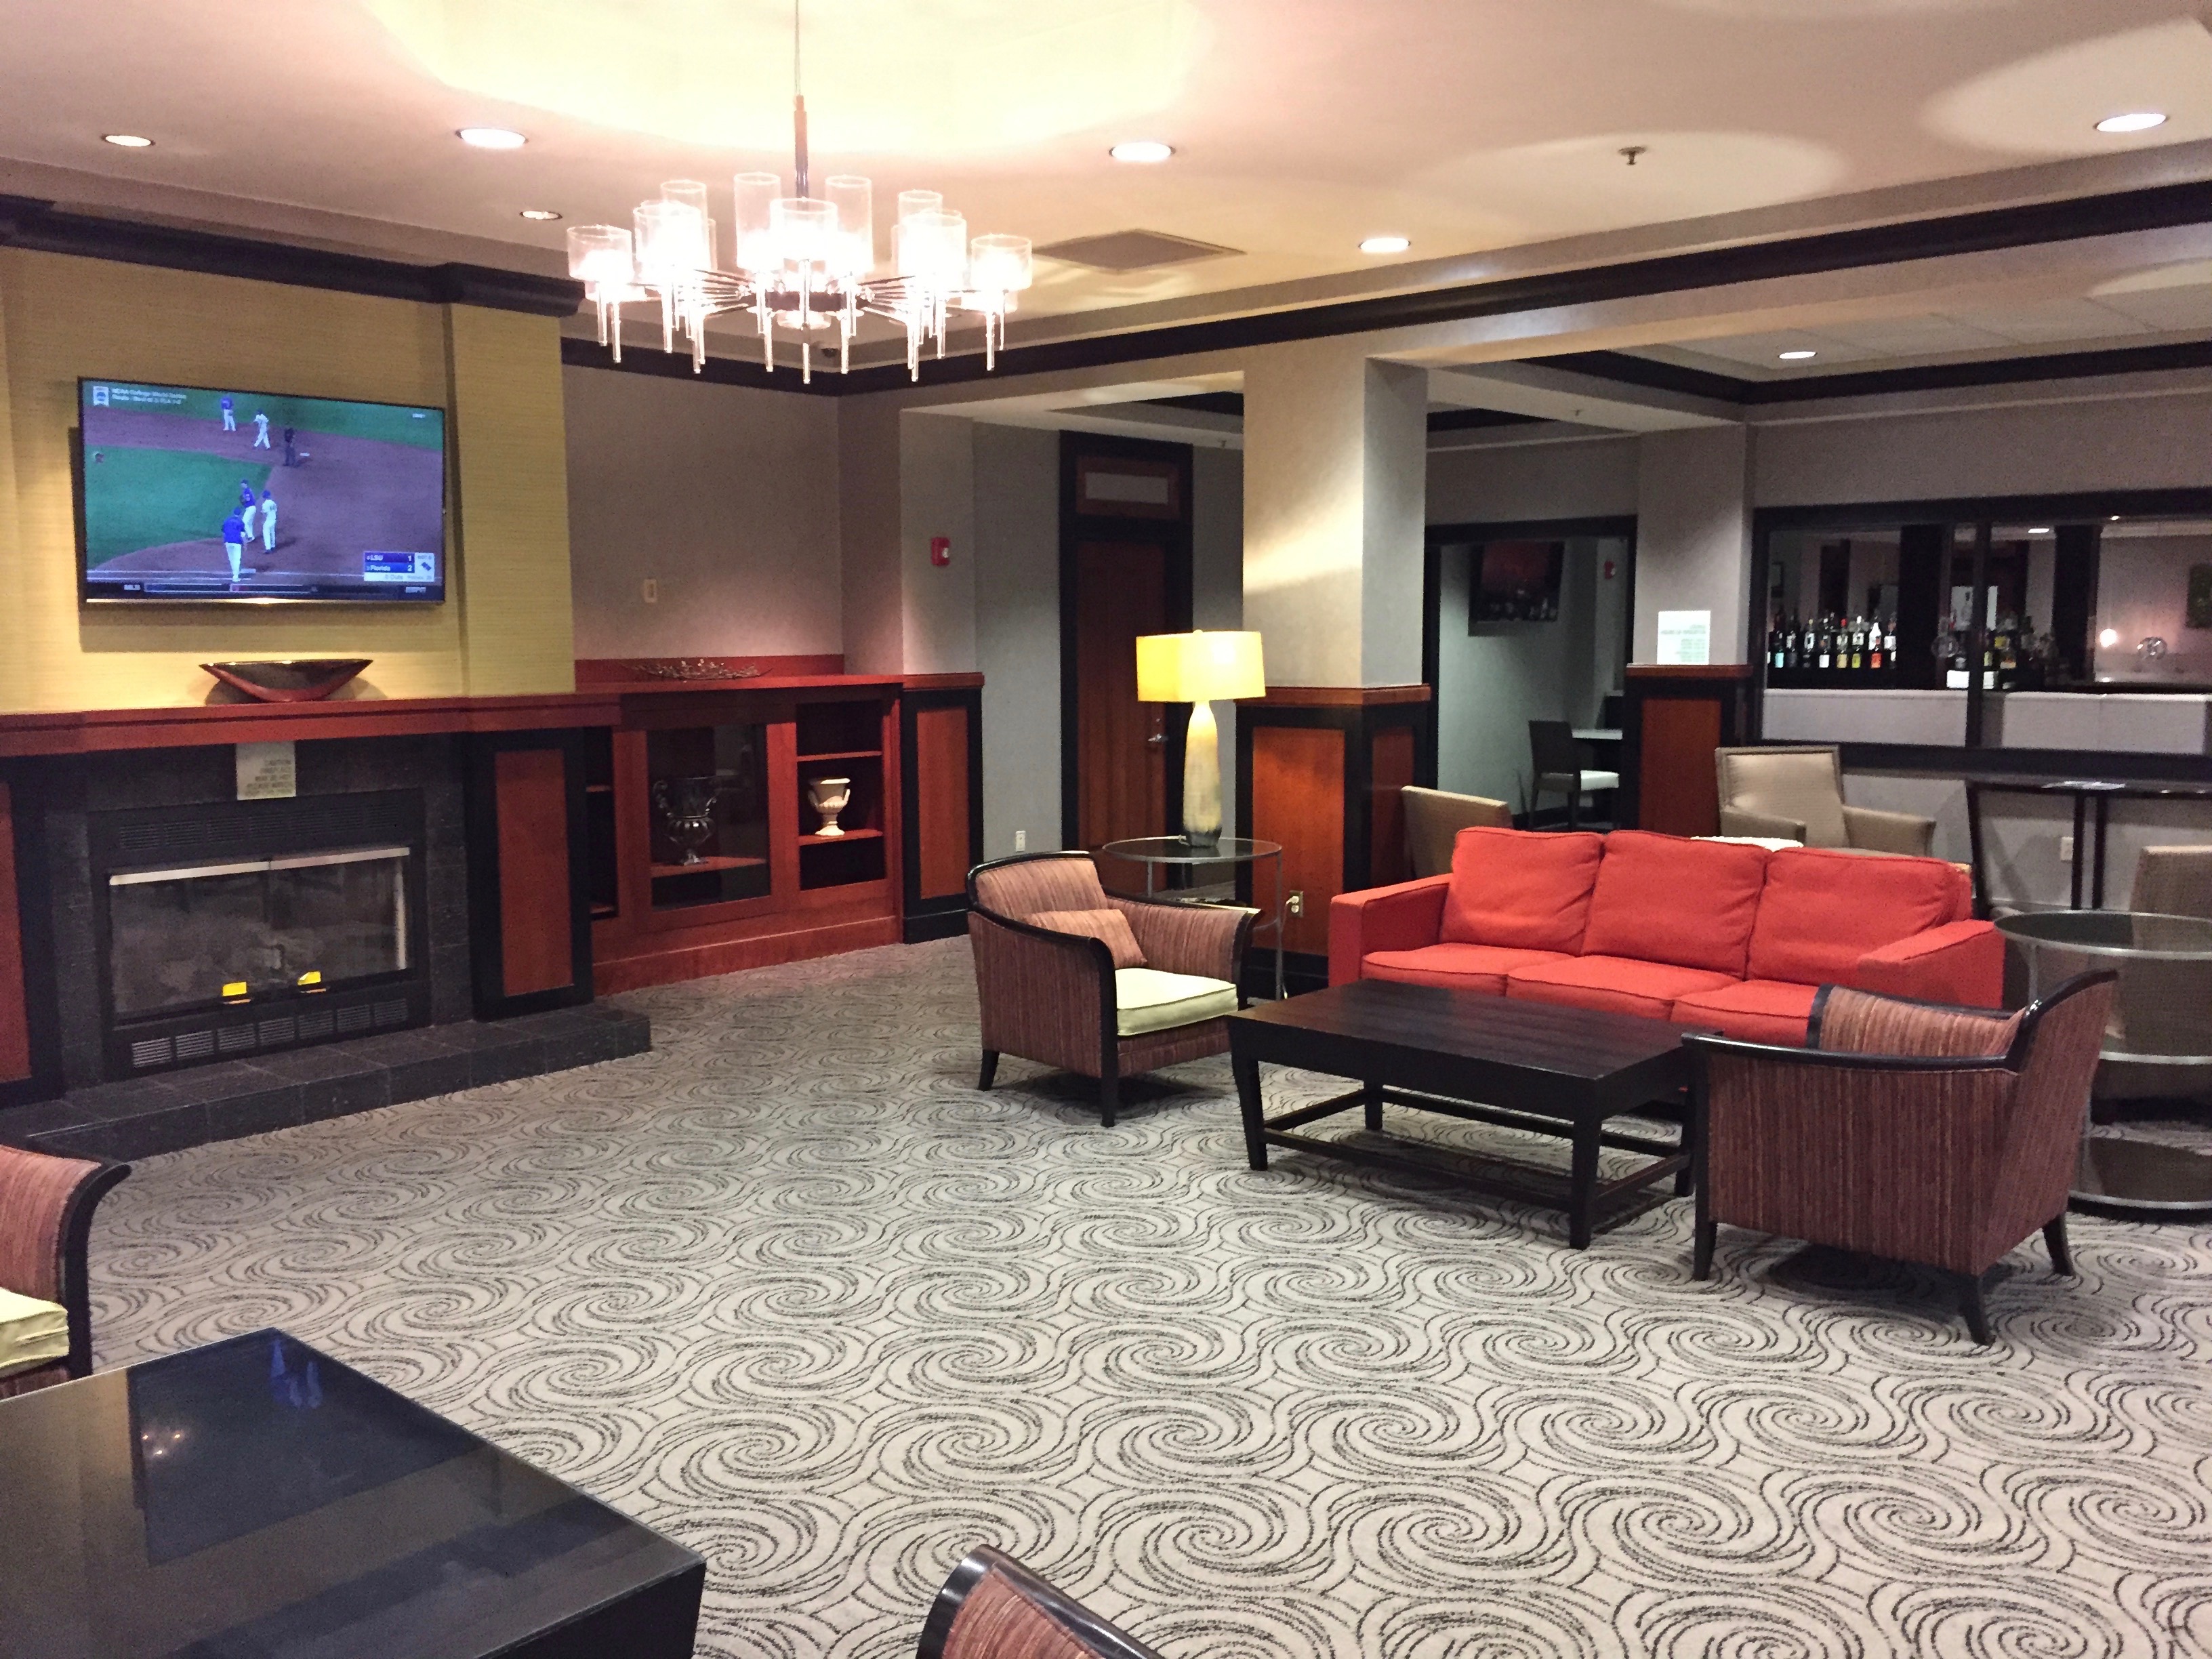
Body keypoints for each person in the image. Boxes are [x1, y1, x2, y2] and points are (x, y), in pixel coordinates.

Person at [221, 510, 246, 581]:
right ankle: (236, 576)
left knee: (231, 559)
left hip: (228, 542)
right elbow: (243, 535)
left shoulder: (226, 521)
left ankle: (235, 572)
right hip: (237, 542)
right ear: (240, 514)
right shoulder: (240, 522)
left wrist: (225, 541)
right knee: (237, 559)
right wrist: (245, 545)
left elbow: (224, 533)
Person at [260, 489, 278, 553]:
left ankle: (268, 548)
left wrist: (263, 521)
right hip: (273, 520)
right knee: (272, 533)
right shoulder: (273, 503)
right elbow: (275, 511)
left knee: (266, 534)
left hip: (268, 521)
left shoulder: (265, 504)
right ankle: (273, 546)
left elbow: (264, 514)